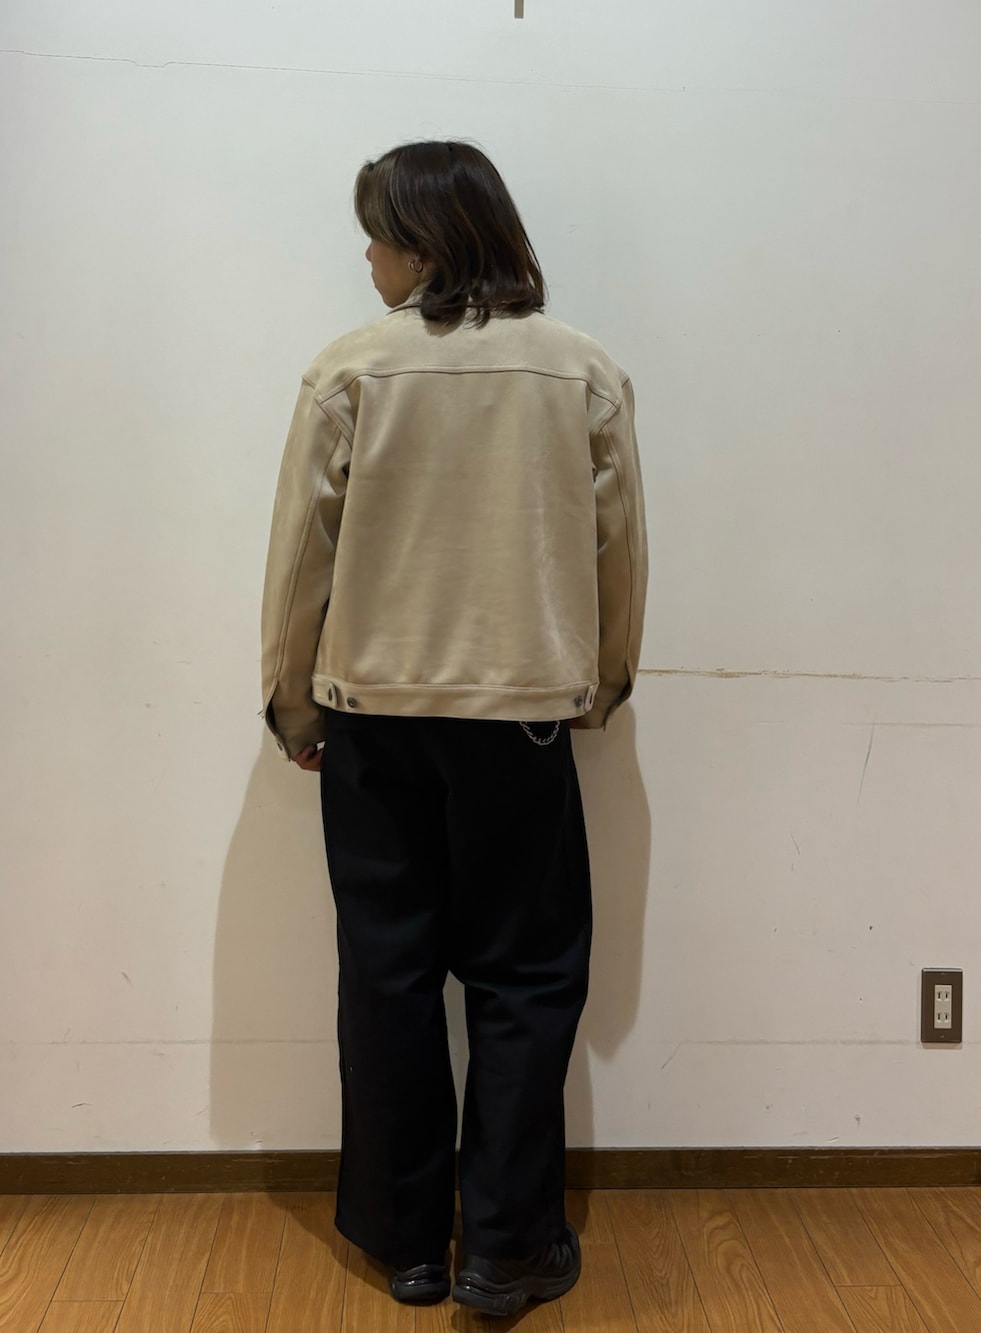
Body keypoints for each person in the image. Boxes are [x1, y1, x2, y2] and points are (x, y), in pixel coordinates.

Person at [260, 140, 647, 1316]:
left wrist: (291, 700)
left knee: (387, 973)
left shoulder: (349, 371)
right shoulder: (580, 372)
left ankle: (408, 1242)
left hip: (372, 722)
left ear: (424, 245)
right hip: (519, 720)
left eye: (377, 236)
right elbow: (618, 554)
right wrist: (600, 686)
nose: (367, 258)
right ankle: (507, 1248)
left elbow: (299, 559)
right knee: (525, 978)